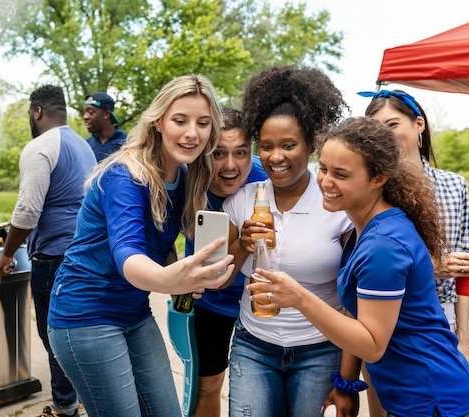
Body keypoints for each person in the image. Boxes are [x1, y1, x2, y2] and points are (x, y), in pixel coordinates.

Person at [249, 116, 469, 417]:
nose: (325, 182)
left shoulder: (383, 246)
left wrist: (300, 298)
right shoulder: (366, 229)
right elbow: (355, 311)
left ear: (378, 178)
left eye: (341, 175)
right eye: (324, 168)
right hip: (415, 398)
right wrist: (346, 384)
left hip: (432, 401)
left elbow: (372, 344)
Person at [47, 74, 236, 417]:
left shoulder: (187, 173)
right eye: (181, 120)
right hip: (84, 315)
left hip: (134, 313)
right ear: (159, 121)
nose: (192, 132)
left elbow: (253, 167)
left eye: (203, 123)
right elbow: (128, 256)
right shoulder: (126, 175)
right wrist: (174, 280)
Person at [222, 65, 354, 417]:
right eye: (265, 146)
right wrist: (241, 246)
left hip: (319, 350)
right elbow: (219, 276)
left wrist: (347, 381)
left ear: (312, 144)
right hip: (253, 347)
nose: (274, 157)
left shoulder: (337, 205)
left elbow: (356, 295)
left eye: (288, 145)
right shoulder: (240, 201)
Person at [360, 89, 469, 416]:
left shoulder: (453, 186)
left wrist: (464, 342)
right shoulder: (371, 189)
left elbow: (468, 271)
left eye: (391, 125)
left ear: (419, 125)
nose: (383, 136)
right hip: (381, 318)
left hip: (436, 324)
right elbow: (364, 264)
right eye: (375, 129)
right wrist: (432, 267)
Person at [0, 84, 97, 417]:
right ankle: (78, 396)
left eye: (29, 112)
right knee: (76, 329)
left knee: (54, 332)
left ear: (37, 111)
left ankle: (64, 406)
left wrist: (7, 253)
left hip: (55, 257)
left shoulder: (40, 147)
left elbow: (27, 210)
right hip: (87, 252)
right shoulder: (83, 146)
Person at [183, 107, 267, 417]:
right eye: (219, 153)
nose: (231, 165)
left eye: (241, 153)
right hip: (212, 302)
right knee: (207, 385)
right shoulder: (188, 182)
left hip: (259, 302)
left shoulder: (267, 179)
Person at [83, 91, 128, 161]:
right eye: (85, 112)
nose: (85, 116)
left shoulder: (127, 144)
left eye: (90, 112)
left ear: (106, 114)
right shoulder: (86, 145)